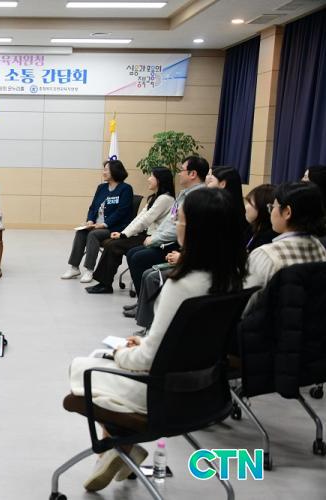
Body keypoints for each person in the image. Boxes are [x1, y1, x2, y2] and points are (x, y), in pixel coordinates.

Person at [69, 187, 246, 492]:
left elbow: (146, 361)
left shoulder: (182, 285)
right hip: (208, 391)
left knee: (85, 366)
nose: (176, 223)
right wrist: (149, 342)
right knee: (106, 361)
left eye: (181, 219)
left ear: (195, 229)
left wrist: (122, 353)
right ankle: (122, 448)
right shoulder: (236, 278)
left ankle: (116, 447)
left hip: (164, 394)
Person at [122, 156, 208, 297]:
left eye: (182, 170)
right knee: (133, 253)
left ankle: (147, 303)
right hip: (169, 240)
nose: (179, 174)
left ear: (193, 174)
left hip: (180, 245)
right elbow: (170, 221)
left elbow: (178, 228)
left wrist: (155, 239)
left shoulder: (199, 197)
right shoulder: (183, 194)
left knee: (138, 258)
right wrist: (154, 237)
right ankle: (142, 301)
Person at [86, 167, 175, 294]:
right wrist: (124, 233)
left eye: (151, 176)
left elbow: (146, 221)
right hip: (145, 234)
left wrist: (124, 235)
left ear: (160, 180)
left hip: (153, 238)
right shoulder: (155, 197)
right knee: (111, 243)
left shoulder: (165, 199)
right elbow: (139, 218)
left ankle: (105, 285)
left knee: (113, 245)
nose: (148, 179)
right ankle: (104, 283)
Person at [244, 182, 326, 311]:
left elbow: (246, 305)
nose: (271, 212)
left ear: (287, 212)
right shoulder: (320, 248)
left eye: (273, 207)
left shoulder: (266, 255)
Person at [61, 160, 134, 283]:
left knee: (93, 234)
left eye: (106, 170)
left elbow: (122, 212)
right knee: (81, 232)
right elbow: (93, 207)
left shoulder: (125, 189)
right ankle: (74, 268)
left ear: (115, 171)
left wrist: (104, 224)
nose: (103, 172)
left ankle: (89, 270)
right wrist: (90, 220)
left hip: (114, 228)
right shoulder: (101, 188)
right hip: (96, 225)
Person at [244, 184, 278, 252]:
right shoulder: (252, 228)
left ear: (262, 207)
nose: (245, 207)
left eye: (249, 203)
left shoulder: (267, 241)